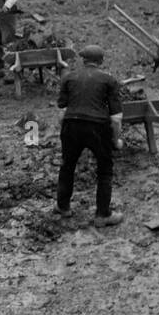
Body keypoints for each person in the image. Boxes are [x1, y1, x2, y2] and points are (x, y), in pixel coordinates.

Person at [54, 45, 124, 226]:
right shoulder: (109, 80)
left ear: (82, 60)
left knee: (67, 166)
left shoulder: (68, 77)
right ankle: (102, 215)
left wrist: (67, 134)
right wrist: (115, 141)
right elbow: (116, 118)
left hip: (71, 124)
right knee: (105, 170)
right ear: (101, 62)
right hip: (97, 127)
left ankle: (63, 207)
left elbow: (61, 111)